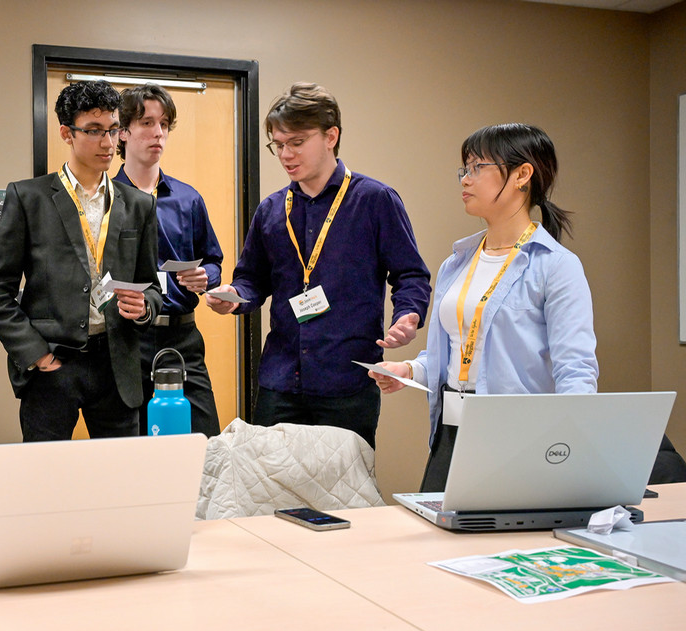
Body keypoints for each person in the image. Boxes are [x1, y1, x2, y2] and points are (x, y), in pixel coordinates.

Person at [369, 123, 598, 491]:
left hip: (518, 439)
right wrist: (409, 369)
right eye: (464, 169)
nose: (465, 179)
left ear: (523, 175)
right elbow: (455, 354)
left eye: (478, 168)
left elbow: (577, 372)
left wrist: (569, 453)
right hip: (450, 430)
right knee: (438, 542)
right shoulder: (456, 262)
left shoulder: (555, 265)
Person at [205, 82, 431, 447]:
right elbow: (251, 279)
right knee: (269, 490)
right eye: (278, 145)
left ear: (331, 136)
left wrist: (408, 314)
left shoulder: (375, 200)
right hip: (279, 382)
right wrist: (234, 296)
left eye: (296, 142)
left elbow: (410, 274)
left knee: (344, 495)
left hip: (346, 382)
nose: (285, 154)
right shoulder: (271, 209)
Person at [0, 79, 162, 442]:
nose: (108, 143)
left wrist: (143, 308)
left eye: (113, 130)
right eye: (93, 131)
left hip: (117, 366)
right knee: (44, 482)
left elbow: (152, 287)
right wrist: (35, 354)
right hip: (53, 364)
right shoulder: (28, 197)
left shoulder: (139, 204)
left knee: (120, 483)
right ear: (66, 133)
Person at [113, 84, 224, 438]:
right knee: (134, 449)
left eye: (164, 124)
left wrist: (205, 276)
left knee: (205, 441)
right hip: (126, 340)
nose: (158, 132)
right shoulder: (106, 200)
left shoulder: (187, 199)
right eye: (147, 122)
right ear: (123, 132)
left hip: (181, 335)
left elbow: (214, 261)